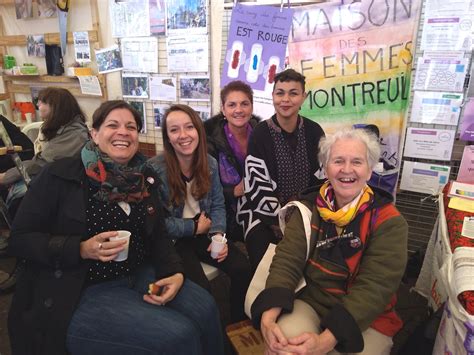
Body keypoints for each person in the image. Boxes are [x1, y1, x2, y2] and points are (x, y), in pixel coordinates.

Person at [7, 100, 224, 355]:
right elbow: (20, 239)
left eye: (130, 127)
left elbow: (158, 237)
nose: (123, 132)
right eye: (113, 125)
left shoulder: (143, 179)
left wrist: (175, 272)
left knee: (206, 307)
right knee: (178, 336)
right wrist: (80, 249)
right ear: (94, 134)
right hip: (82, 288)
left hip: (139, 275)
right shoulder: (59, 176)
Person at [252, 128, 408, 355]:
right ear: (325, 168)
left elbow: (375, 288)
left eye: (357, 161)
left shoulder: (389, 222)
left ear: (369, 169)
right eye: (338, 161)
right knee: (283, 348)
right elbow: (287, 261)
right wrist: (268, 318)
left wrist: (327, 340)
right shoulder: (307, 208)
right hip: (312, 302)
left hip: (367, 317)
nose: (347, 170)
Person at [149, 104, 251, 323]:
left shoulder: (210, 163)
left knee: (242, 268)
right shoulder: (155, 170)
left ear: (198, 131)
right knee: (201, 290)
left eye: (189, 127)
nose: (183, 135)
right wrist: (193, 227)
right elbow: (157, 223)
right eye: (174, 130)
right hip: (176, 240)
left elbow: (217, 205)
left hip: (205, 232)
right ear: (167, 137)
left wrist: (218, 235)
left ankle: (236, 326)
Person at [237, 68, 325, 272]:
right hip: (260, 212)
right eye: (280, 93)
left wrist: (300, 216)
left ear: (304, 97)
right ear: (273, 96)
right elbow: (256, 182)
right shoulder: (260, 133)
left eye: (293, 93)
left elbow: (320, 181)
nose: (286, 99)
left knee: (311, 263)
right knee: (263, 266)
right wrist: (278, 220)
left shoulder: (315, 132)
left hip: (305, 212)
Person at [0, 87, 89, 190]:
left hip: (63, 183)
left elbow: (41, 163)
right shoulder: (58, 128)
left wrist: (6, 176)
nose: (38, 105)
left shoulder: (75, 134)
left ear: (55, 107)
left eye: (42, 102)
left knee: (17, 193)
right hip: (49, 175)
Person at [204, 80, 260, 242]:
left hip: (260, 207)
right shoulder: (209, 141)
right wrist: (232, 191)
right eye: (231, 105)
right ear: (223, 109)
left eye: (244, 104)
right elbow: (204, 190)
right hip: (226, 216)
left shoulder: (263, 134)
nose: (238, 110)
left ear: (251, 106)